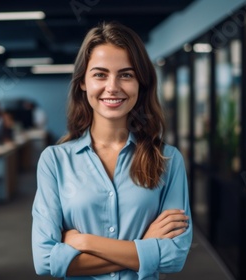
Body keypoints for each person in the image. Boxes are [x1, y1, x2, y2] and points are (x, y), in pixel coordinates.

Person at [32, 22, 192, 279]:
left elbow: (174, 256)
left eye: (126, 74)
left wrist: (84, 242)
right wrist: (144, 247)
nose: (113, 86)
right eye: (100, 74)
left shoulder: (168, 160)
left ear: (141, 82)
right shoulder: (54, 161)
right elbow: (46, 260)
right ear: (83, 82)